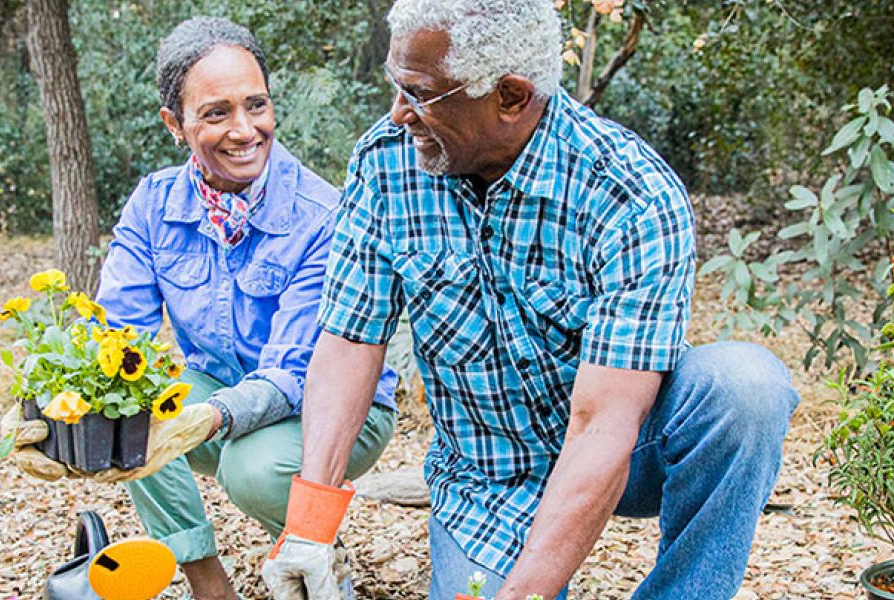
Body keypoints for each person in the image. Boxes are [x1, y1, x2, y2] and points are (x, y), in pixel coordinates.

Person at [259, 1, 801, 599]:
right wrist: (309, 527)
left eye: (418, 94)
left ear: (511, 96)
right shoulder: (386, 163)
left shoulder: (629, 193)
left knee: (746, 388)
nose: (398, 114)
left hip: (623, 448)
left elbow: (602, 427)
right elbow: (348, 340)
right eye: (396, 86)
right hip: (485, 479)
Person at [4, 16, 397, 600]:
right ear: (175, 123)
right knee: (131, 414)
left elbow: (297, 373)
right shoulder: (155, 204)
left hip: (331, 407)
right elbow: (115, 338)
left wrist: (206, 418)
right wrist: (48, 405)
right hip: (220, 388)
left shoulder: (320, 215)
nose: (245, 130)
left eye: (256, 105)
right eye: (216, 113)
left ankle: (314, 555)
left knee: (251, 468)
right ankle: (209, 585)